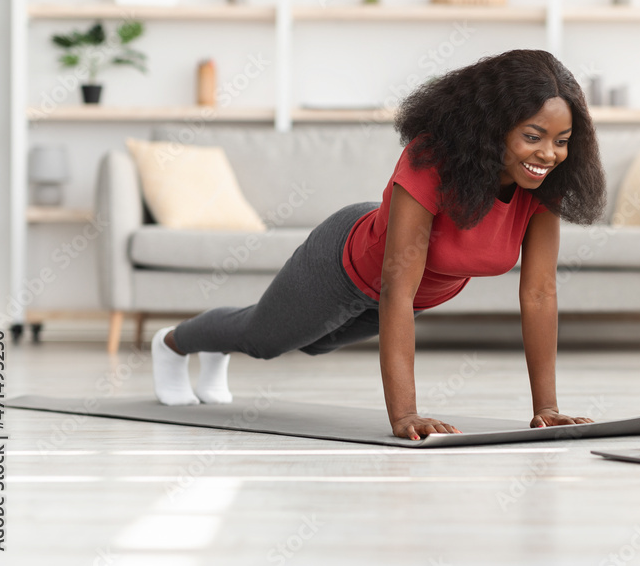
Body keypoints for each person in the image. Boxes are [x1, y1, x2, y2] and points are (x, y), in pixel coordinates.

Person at [150, 48, 607, 440]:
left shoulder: (542, 186)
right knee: (264, 340)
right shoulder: (433, 159)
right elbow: (397, 289)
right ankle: (173, 344)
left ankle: (217, 345)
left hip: (410, 296)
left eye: (562, 141)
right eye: (533, 137)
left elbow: (539, 292)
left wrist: (547, 409)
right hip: (344, 265)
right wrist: (405, 415)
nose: (549, 154)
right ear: (493, 127)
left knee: (316, 344)